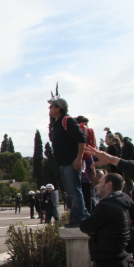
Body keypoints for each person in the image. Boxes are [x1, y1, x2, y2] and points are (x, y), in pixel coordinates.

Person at [47, 95, 87, 226]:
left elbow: (82, 140)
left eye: (51, 106)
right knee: (71, 192)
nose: (49, 108)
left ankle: (78, 218)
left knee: (74, 191)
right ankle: (84, 215)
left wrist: (79, 158)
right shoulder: (58, 123)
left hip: (71, 162)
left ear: (58, 108)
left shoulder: (68, 120)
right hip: (64, 163)